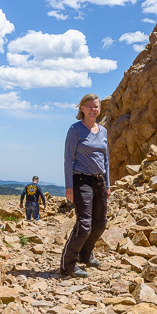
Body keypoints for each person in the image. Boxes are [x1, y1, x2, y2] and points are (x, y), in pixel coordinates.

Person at [60, 93, 109, 278]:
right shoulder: (75, 130)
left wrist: (108, 184)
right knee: (85, 224)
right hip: (81, 181)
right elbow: (68, 159)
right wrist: (69, 186)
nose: (93, 109)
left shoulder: (103, 131)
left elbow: (106, 160)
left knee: (100, 223)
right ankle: (68, 265)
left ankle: (85, 255)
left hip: (100, 181)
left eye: (95, 106)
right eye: (89, 106)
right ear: (82, 108)